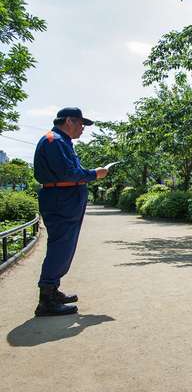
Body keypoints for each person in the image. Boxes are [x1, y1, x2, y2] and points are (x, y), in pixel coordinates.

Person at [33, 107, 108, 316]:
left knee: (64, 246)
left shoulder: (61, 142)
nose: (83, 128)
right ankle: (46, 298)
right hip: (61, 201)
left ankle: (52, 290)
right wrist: (95, 174)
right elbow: (69, 173)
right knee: (61, 246)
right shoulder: (54, 141)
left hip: (65, 200)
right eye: (81, 123)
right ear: (69, 121)